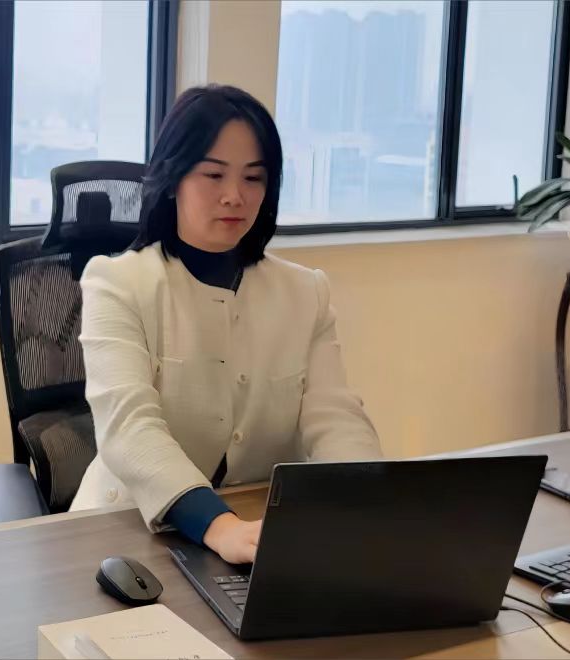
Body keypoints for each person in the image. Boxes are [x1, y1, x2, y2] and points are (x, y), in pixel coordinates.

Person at [69, 84, 382, 564]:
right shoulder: (117, 283)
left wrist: (369, 501)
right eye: (213, 174)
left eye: (253, 178)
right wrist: (217, 525)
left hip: (255, 528)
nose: (235, 196)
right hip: (130, 532)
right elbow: (130, 427)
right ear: (172, 178)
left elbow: (334, 416)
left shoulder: (305, 292)